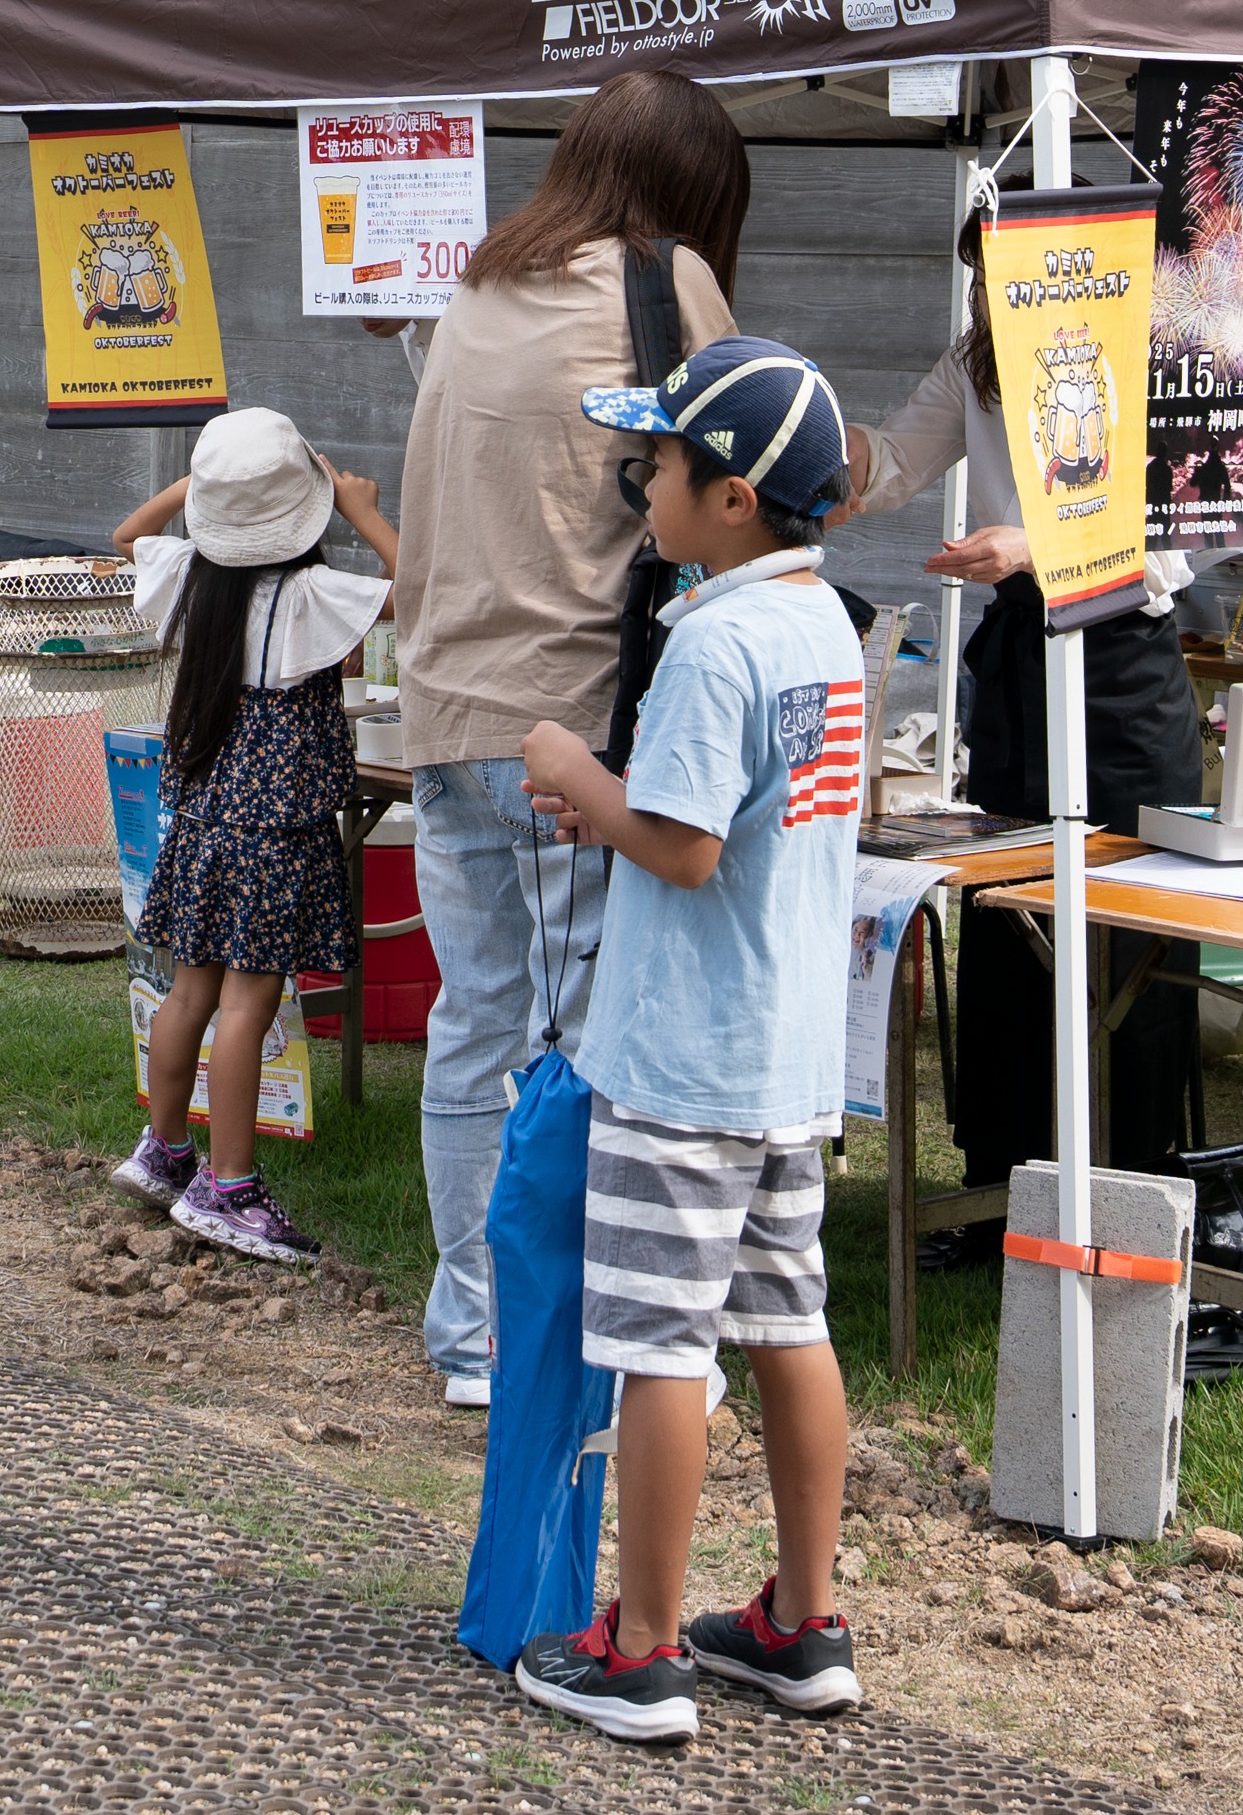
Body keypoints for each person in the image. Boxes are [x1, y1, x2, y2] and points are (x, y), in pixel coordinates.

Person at [507, 336, 873, 1746]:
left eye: (655, 463)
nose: (641, 484)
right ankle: (801, 1623)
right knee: (788, 1323)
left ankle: (642, 1647)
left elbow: (681, 846)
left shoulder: (714, 639)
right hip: (785, 1057)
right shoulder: (819, 623)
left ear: (730, 499)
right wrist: (615, 801)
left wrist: (571, 771)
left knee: (660, 1345)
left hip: (680, 1065)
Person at [377, 68, 749, 1407]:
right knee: (594, 1040)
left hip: (442, 712)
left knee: (476, 1028)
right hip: (573, 729)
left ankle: (478, 1337)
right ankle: (582, 1344)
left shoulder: (478, 288)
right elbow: (747, 469)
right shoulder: (666, 283)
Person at [845, 203, 1206, 1264]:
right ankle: (996, 1191)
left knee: (1129, 933)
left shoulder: (1152, 361)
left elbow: (1175, 539)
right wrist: (807, 435)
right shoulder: (975, 364)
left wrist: (1035, 545)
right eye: (977, 277)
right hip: (1018, 668)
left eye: (1000, 276)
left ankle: (1135, 1200)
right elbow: (887, 464)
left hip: (1122, 672)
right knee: (1004, 921)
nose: (985, 297)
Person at [106, 408, 401, 1264]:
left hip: (202, 827)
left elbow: (127, 535)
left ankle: (164, 1150)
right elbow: (421, 591)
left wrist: (200, 489)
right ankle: (229, 1187)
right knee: (246, 1005)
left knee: (188, 994)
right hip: (272, 839)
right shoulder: (309, 597)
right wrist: (364, 511)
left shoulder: (189, 579)